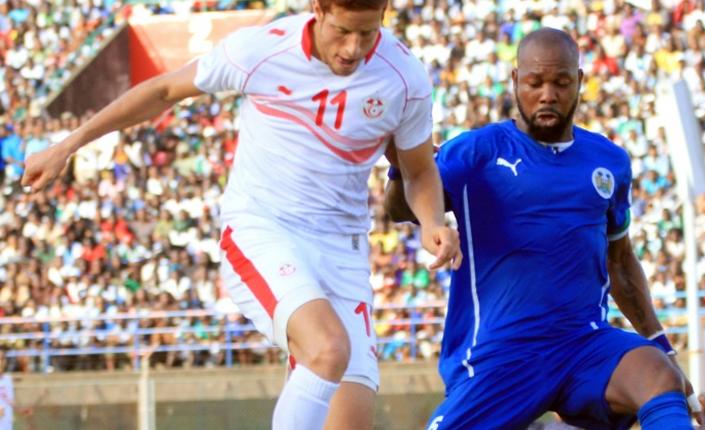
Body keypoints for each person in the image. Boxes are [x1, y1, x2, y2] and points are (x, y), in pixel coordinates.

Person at [21, 1, 462, 429]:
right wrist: (67, 145)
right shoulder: (261, 50)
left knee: (348, 417)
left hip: (343, 250)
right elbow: (162, 91)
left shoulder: (404, 76)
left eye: (367, 34)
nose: (352, 49)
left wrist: (431, 223)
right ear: (318, 10)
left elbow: (419, 170)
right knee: (327, 348)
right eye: (342, 32)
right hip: (263, 228)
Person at [385, 28, 701, 429]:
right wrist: (401, 165)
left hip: (582, 345)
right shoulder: (477, 151)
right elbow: (400, 208)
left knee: (656, 375)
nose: (547, 94)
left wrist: (662, 345)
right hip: (500, 355)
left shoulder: (609, 161)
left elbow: (620, 262)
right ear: (516, 80)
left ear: (580, 82)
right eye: (535, 83)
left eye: (561, 82)